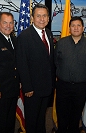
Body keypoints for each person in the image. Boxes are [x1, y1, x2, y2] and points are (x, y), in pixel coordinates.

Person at [16, 4, 55, 133]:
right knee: (32, 121)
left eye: (44, 16)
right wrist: (27, 87)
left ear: (49, 18)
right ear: (32, 18)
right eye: (38, 16)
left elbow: (49, 61)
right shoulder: (24, 37)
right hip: (32, 90)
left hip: (46, 87)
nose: (42, 19)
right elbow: (22, 63)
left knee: (41, 118)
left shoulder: (48, 33)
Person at [54, 16, 86, 133]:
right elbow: (56, 62)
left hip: (80, 87)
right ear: (69, 28)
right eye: (73, 26)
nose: (76, 28)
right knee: (62, 115)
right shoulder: (61, 43)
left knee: (76, 116)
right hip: (63, 86)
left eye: (78, 25)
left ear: (83, 28)